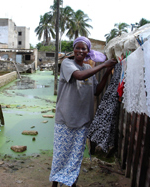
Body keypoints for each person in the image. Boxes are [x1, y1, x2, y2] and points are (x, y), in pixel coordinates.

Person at [49, 36, 117, 187]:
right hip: (65, 120)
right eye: (78, 47)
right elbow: (79, 76)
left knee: (76, 157)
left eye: (83, 48)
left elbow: (96, 91)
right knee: (60, 155)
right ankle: (55, 185)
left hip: (83, 122)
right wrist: (103, 65)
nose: (80, 51)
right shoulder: (67, 63)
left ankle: (71, 183)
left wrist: (106, 71)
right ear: (74, 49)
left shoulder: (88, 68)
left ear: (88, 51)